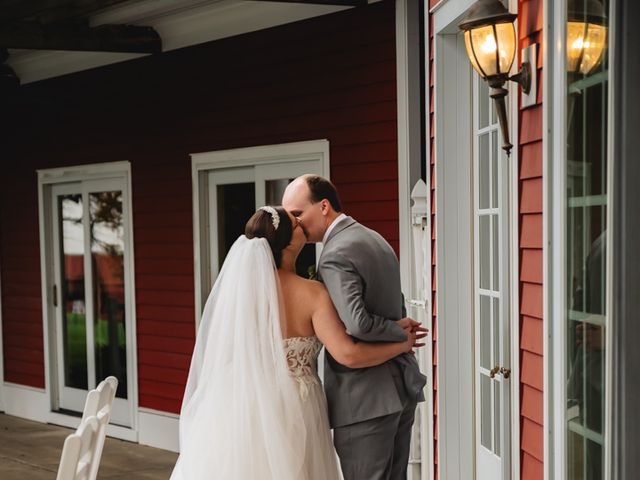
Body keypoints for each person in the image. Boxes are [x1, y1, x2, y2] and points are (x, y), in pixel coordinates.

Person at [170, 206, 425, 480]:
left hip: (241, 400)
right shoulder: (312, 294)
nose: (303, 224)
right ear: (288, 243)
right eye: (296, 224)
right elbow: (348, 354)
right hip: (295, 403)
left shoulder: (240, 295)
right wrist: (401, 343)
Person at [283, 175, 428, 480]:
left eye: (297, 213)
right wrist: (399, 333)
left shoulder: (334, 254)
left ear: (324, 206)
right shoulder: (374, 238)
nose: (294, 223)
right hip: (399, 389)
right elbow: (393, 303)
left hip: (364, 399)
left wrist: (399, 334)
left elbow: (358, 323)